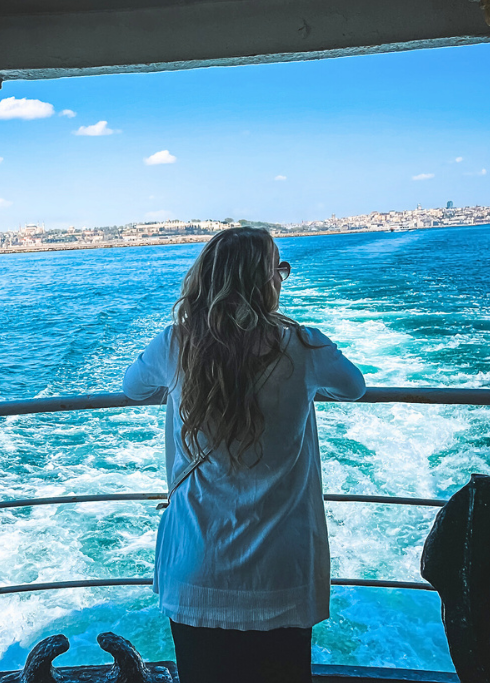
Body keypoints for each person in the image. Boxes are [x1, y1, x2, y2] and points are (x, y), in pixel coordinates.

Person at [122, 227, 365, 683]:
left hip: (198, 570)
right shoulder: (305, 346)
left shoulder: (175, 344)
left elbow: (132, 388)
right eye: (279, 270)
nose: (282, 278)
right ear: (265, 282)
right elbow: (354, 387)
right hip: (281, 574)